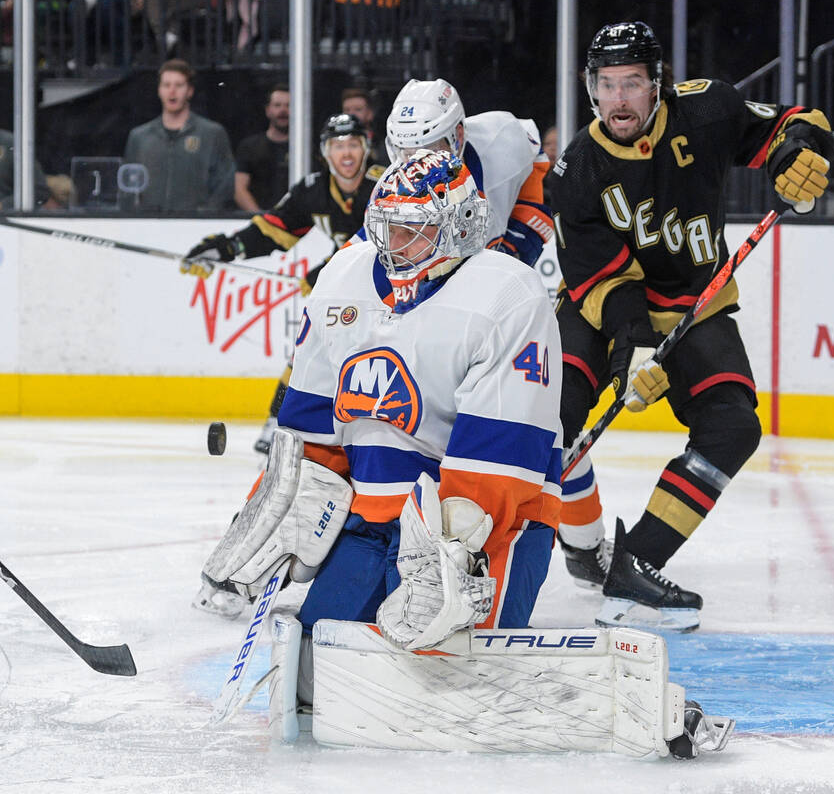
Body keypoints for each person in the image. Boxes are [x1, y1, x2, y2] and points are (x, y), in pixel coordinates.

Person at [199, 149, 731, 759]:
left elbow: (493, 470)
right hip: (371, 521)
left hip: (490, 532)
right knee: (319, 676)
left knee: (446, 687)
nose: (391, 242)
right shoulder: (343, 278)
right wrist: (283, 507)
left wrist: (442, 567)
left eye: (411, 227)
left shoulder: (507, 294)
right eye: (386, 223)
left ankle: (645, 707)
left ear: (454, 225)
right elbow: (311, 429)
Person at [550, 21, 833, 631]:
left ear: (657, 85)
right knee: (554, 416)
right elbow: (606, 284)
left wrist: (793, 157)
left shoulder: (706, 110)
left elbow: (795, 120)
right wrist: (632, 356)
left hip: (695, 304)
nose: (619, 99)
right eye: (607, 85)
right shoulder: (576, 171)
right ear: (590, 89)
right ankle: (568, 546)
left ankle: (636, 564)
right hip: (602, 311)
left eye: (632, 83)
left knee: (732, 427)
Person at [181, 113, 386, 469]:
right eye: (338, 146)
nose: (347, 154)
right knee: (310, 347)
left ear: (366, 148)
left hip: (390, 295)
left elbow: (381, 241)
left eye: (353, 144)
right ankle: (280, 423)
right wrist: (225, 249)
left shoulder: (383, 185)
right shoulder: (314, 190)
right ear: (325, 152)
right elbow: (272, 229)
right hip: (348, 294)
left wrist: (325, 272)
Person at [378, 78, 554, 268]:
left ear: (458, 136)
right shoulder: (387, 190)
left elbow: (533, 154)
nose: (417, 163)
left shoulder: (501, 140)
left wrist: (520, 232)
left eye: (428, 148)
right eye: (405, 151)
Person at [122, 59, 235, 212]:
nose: (172, 91)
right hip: (148, 225)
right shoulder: (139, 137)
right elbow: (128, 187)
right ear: (159, 90)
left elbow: (225, 184)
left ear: (190, 91)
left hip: (196, 226)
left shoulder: (212, 133)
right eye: (166, 85)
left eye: (179, 85)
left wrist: (205, 216)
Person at [234, 83, 290, 212]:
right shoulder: (249, 147)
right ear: (268, 110)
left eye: (288, 105)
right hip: (258, 222)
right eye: (277, 105)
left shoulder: (305, 149)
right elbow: (239, 190)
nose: (283, 110)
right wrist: (262, 220)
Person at [341, 87, 388, 168]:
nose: (351, 114)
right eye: (347, 110)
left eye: (358, 109)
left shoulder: (384, 146)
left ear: (370, 113)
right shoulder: (333, 146)